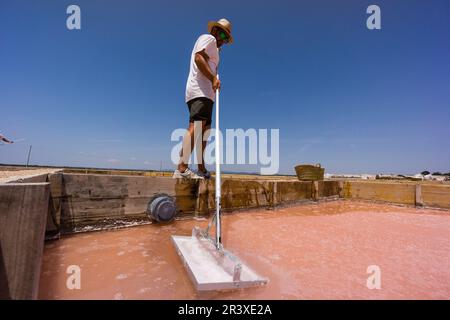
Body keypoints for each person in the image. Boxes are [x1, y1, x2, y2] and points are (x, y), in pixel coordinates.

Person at [173, 18, 233, 179]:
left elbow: (206, 60)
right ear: (214, 31)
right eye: (221, 33)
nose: (222, 39)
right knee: (197, 125)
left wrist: (213, 78)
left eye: (226, 37)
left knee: (205, 131)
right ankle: (182, 167)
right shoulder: (209, 38)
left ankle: (201, 168)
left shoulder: (215, 49)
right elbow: (198, 58)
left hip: (208, 95)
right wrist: (213, 78)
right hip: (199, 91)